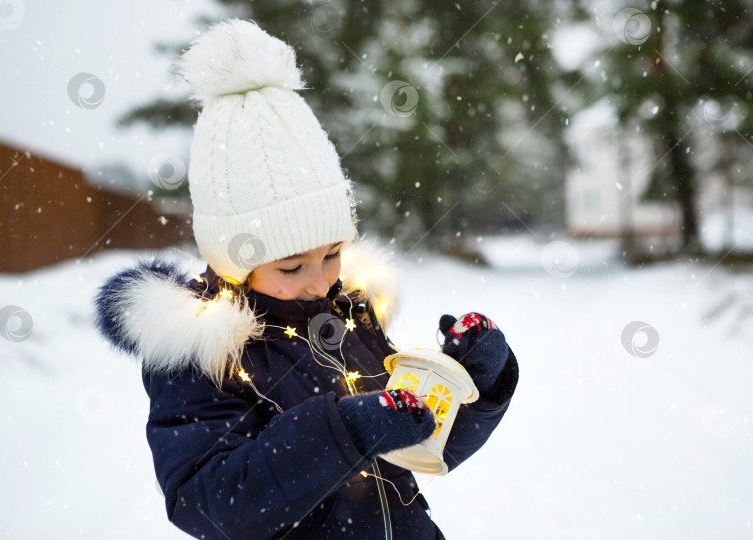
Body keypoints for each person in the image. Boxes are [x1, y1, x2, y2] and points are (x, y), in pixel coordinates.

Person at [93, 18, 518, 540]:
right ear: (234, 260)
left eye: (333, 254)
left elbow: (424, 449)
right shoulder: (201, 353)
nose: (320, 282)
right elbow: (207, 501)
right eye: (291, 267)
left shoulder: (350, 315)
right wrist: (344, 431)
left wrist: (471, 384)